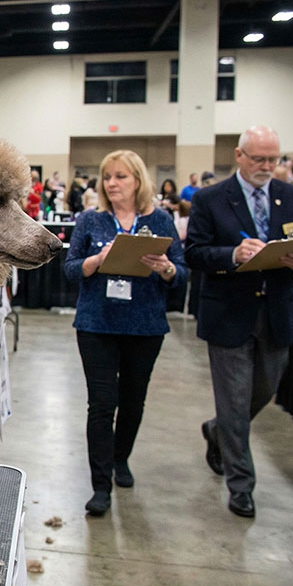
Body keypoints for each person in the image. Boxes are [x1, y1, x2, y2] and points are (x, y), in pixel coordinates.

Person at [187, 125, 293, 518]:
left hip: (277, 310)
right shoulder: (212, 199)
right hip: (229, 313)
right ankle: (241, 484)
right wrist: (232, 255)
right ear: (239, 156)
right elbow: (195, 252)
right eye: (258, 159)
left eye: (273, 159)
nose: (266, 166)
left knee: (263, 391)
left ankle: (216, 432)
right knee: (234, 402)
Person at [63, 150, 188, 516]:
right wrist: (95, 261)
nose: (112, 183)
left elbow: (181, 274)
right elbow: (70, 270)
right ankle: (100, 485)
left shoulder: (161, 220)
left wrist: (166, 269)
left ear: (138, 181)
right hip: (96, 323)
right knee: (102, 404)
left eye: (121, 176)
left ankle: (121, 459)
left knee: (133, 400)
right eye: (107, 177)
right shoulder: (91, 220)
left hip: (145, 325)